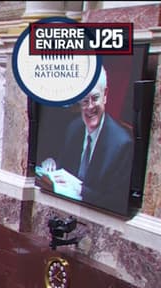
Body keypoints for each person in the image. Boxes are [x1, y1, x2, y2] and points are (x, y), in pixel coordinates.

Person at [40, 68, 133, 213]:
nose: (90, 107)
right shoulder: (74, 128)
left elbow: (117, 203)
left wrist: (81, 190)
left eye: (95, 98)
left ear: (105, 95)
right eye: (84, 101)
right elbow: (65, 169)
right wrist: (52, 163)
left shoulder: (122, 144)